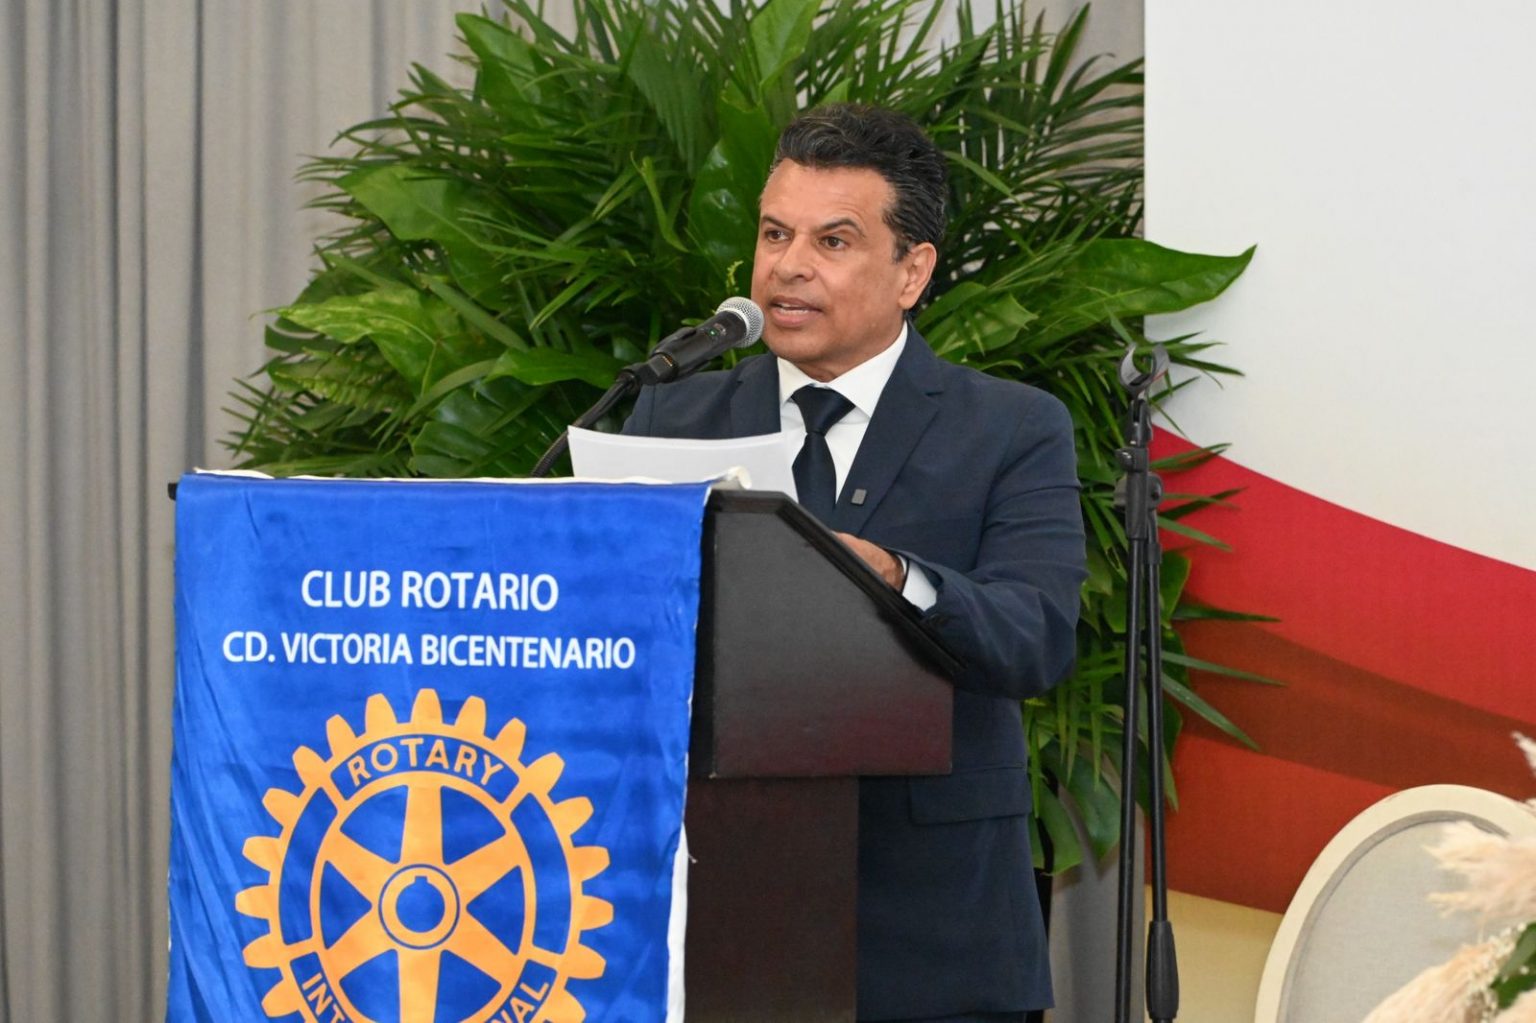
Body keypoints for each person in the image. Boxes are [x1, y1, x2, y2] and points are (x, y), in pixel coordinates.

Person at [624, 103, 1086, 1022]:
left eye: (832, 241)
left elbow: (1035, 635)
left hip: (933, 930)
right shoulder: (671, 417)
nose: (788, 266)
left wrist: (899, 579)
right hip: (713, 918)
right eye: (774, 234)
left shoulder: (1011, 428)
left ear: (912, 270)